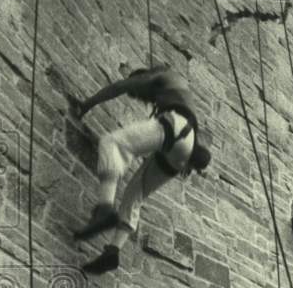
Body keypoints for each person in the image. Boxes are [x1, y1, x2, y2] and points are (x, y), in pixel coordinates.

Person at [68, 65, 211, 274]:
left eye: (136, 94)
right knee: (135, 195)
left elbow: (117, 88)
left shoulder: (160, 77)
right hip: (182, 149)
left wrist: (86, 105)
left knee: (112, 143)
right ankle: (113, 251)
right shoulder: (174, 92)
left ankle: (105, 210)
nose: (136, 97)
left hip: (176, 126)